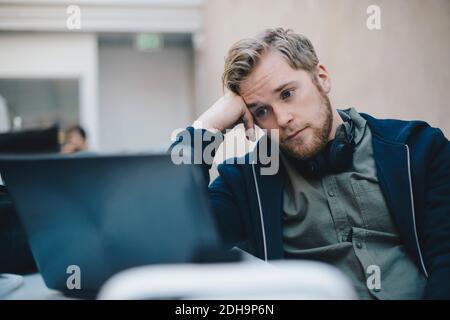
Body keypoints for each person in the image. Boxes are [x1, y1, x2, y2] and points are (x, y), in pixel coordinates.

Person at [171, 28, 450, 299]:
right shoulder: (245, 182)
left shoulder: (417, 148)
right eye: (262, 111)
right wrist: (208, 127)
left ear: (322, 78)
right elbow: (171, 231)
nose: (281, 119)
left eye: (287, 94)